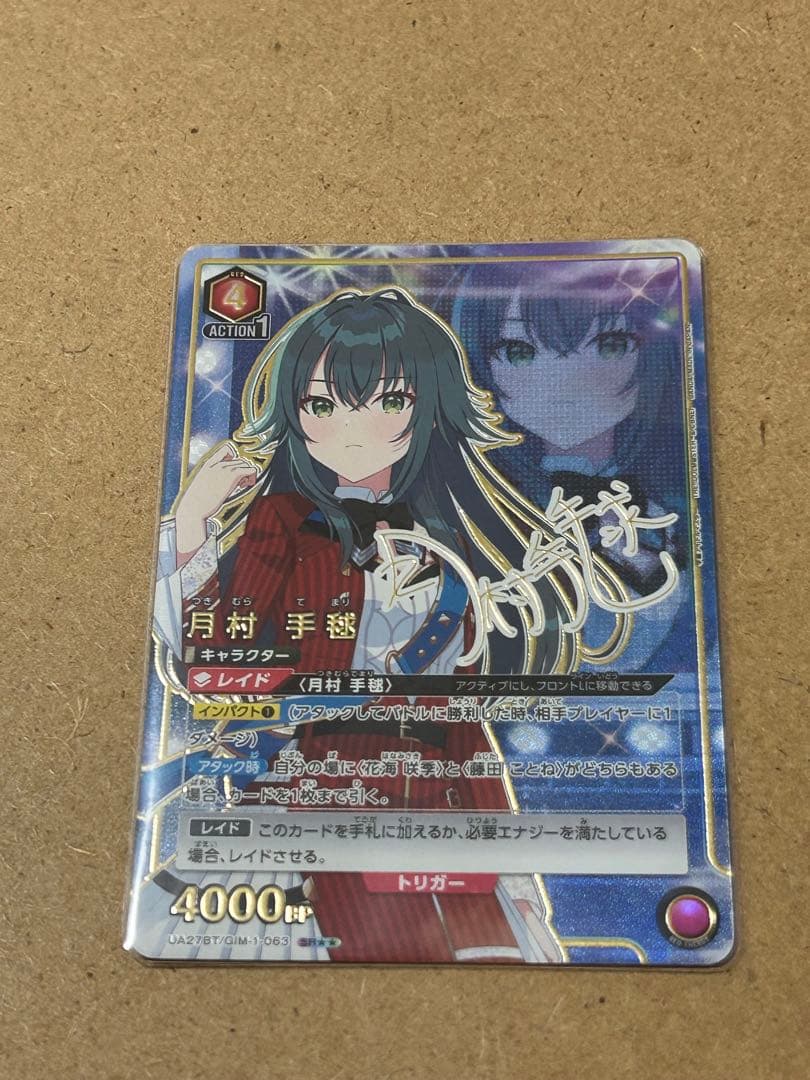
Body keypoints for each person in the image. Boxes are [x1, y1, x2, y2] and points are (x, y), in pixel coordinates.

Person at [152, 286, 579, 963]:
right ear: (295, 414)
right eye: (323, 406)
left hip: (438, 805)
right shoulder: (284, 524)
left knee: (483, 957)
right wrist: (193, 523)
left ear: (428, 407)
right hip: (321, 797)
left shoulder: (447, 540)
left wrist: (512, 860)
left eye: (389, 402)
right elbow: (216, 658)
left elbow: (465, 725)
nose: (354, 429)